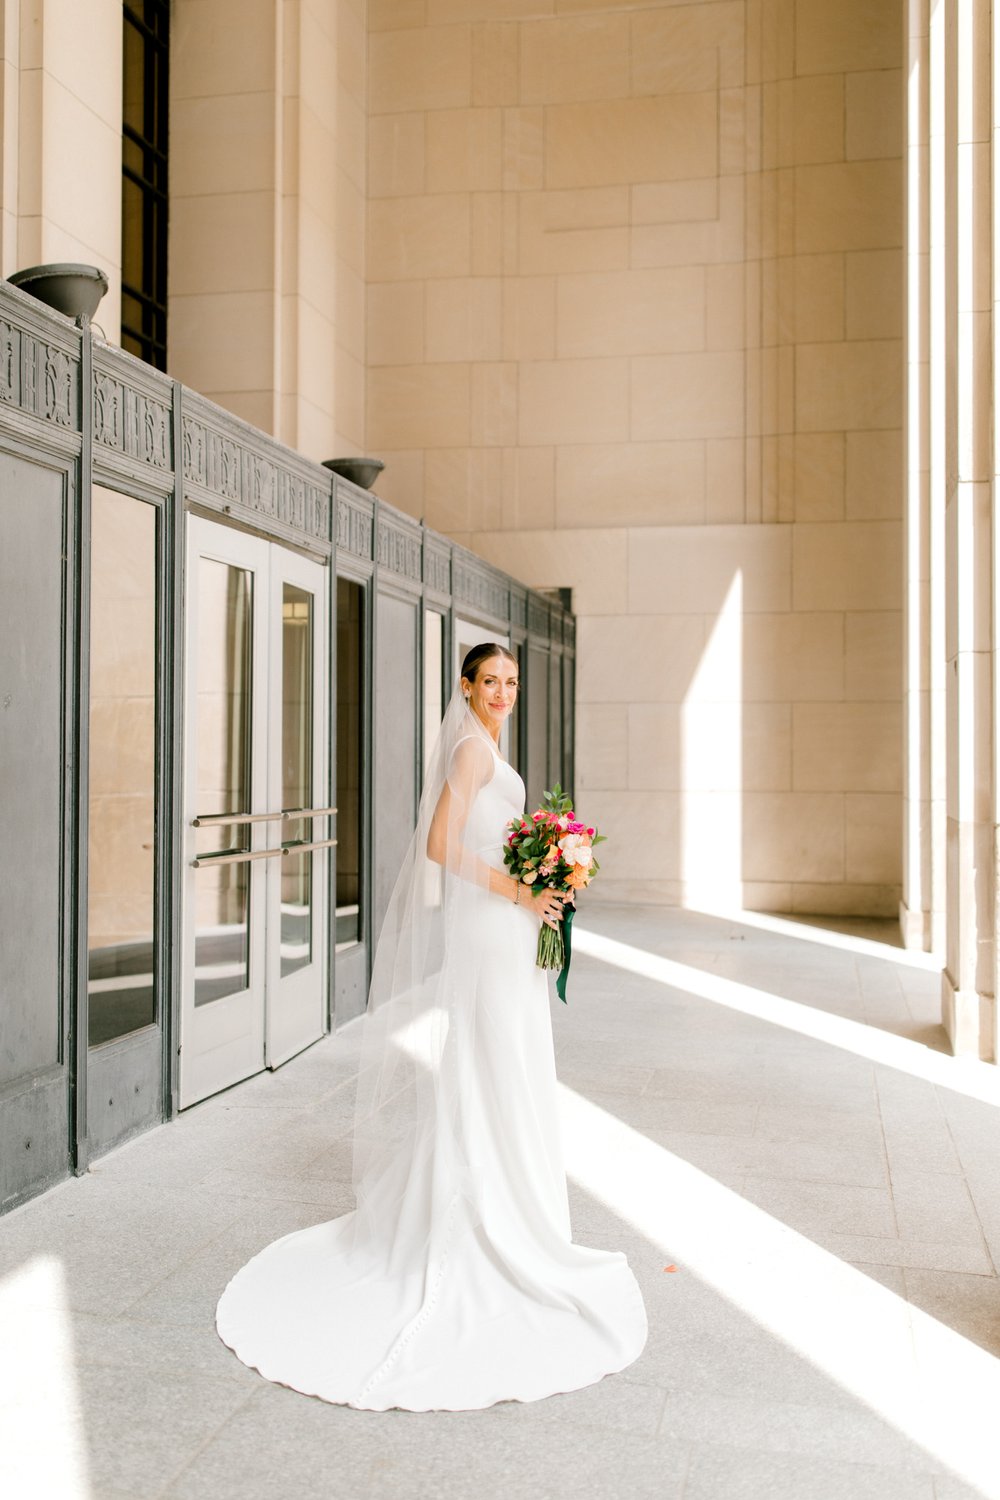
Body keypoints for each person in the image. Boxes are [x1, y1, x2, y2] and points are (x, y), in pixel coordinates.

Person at [216, 643, 647, 1410]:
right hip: (491, 923)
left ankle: (508, 1203)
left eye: (512, 683)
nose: (503, 693)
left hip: (505, 924)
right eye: (491, 682)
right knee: (497, 1059)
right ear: (466, 687)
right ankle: (486, 1219)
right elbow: (441, 846)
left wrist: (547, 875)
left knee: (500, 1061)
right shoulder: (470, 753)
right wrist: (521, 888)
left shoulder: (487, 748)